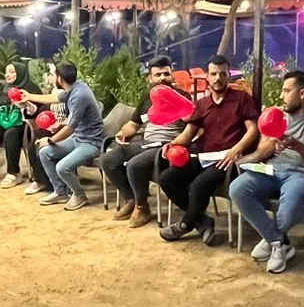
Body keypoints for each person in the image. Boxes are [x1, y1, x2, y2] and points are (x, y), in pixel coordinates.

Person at [228, 70, 304, 273]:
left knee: (290, 207)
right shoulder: (278, 116)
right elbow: (263, 150)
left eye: (286, 91)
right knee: (237, 188)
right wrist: (253, 154)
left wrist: (296, 145)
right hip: (271, 168)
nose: (282, 96)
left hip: (302, 172)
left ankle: (272, 240)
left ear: (303, 93)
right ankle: (279, 243)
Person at [157, 55, 258, 246]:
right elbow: (189, 133)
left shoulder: (241, 99)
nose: (218, 78)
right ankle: (202, 221)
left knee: (198, 185)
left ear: (228, 76)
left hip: (229, 161)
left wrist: (237, 150)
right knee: (167, 178)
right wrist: (173, 144)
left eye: (222, 74)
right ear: (207, 77)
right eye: (214, 74)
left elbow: (253, 129)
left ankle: (186, 224)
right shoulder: (202, 104)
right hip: (206, 156)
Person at [100, 56, 188, 226]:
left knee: (134, 164)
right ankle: (131, 199)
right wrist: (121, 134)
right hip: (145, 143)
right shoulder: (147, 98)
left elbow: (193, 127)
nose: (162, 78)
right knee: (108, 160)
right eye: (157, 75)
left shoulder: (182, 97)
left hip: (167, 147)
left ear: (172, 75)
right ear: (150, 78)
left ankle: (143, 208)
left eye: (166, 74)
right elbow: (133, 125)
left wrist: (177, 143)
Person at [35, 62, 105, 211]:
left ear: (60, 79)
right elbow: (53, 98)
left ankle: (79, 195)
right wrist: (28, 96)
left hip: (91, 142)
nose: (51, 78)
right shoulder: (74, 88)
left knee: (62, 167)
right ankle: (60, 192)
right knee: (45, 153)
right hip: (78, 137)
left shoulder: (79, 95)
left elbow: (70, 128)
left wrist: (50, 140)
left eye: (53, 75)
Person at [19, 63, 63, 196]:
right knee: (35, 141)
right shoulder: (55, 91)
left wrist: (60, 126)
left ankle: (47, 181)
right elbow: (43, 108)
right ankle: (42, 180)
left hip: (67, 129)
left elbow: (73, 118)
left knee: (39, 142)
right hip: (53, 126)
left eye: (51, 74)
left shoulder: (67, 93)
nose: (49, 77)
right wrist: (27, 104)